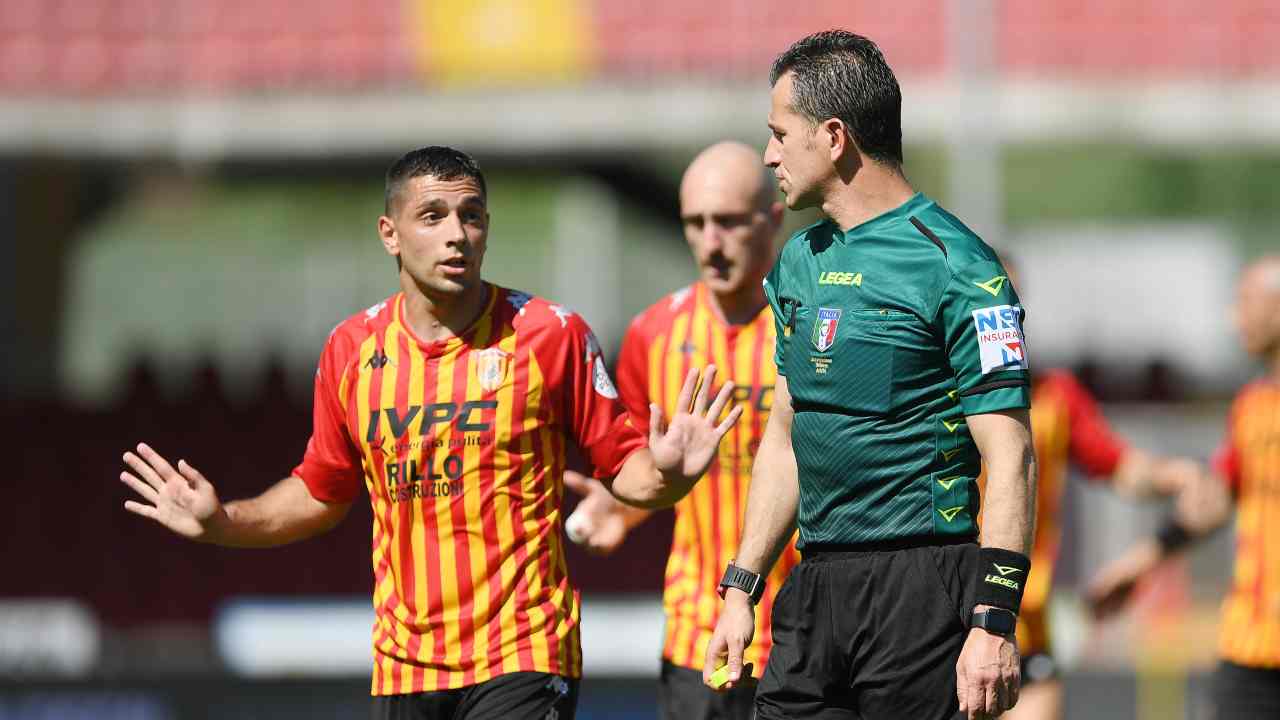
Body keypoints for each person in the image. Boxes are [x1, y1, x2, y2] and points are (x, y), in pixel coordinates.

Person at [117, 146, 743, 720]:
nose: (456, 234)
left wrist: (670, 473)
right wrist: (223, 520)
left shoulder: (551, 335)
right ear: (389, 233)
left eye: (471, 217)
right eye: (432, 216)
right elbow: (321, 492)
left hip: (523, 652)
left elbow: (627, 471)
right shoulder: (350, 351)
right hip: (404, 665)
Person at [703, 30, 1037, 720]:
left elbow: (1011, 454)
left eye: (779, 134)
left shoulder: (960, 266)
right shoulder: (798, 263)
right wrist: (742, 585)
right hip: (814, 591)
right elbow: (786, 434)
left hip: (922, 591)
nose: (769, 155)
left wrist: (994, 619)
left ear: (833, 138)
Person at [563, 141, 803, 720]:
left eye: (728, 221)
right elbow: (653, 472)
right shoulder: (653, 335)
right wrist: (620, 508)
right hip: (699, 634)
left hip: (809, 635)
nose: (710, 242)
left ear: (772, 219)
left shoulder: (810, 328)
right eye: (695, 223)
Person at [980, 258, 1204, 720]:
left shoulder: (1055, 395)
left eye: (1009, 301)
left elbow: (1118, 465)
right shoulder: (930, 390)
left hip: (1025, 618)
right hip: (940, 613)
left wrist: (1172, 475)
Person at [1088, 256, 1280, 720]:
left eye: (1245, 302)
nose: (1234, 318)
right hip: (1251, 646)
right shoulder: (1253, 406)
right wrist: (1139, 562)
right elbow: (1216, 499)